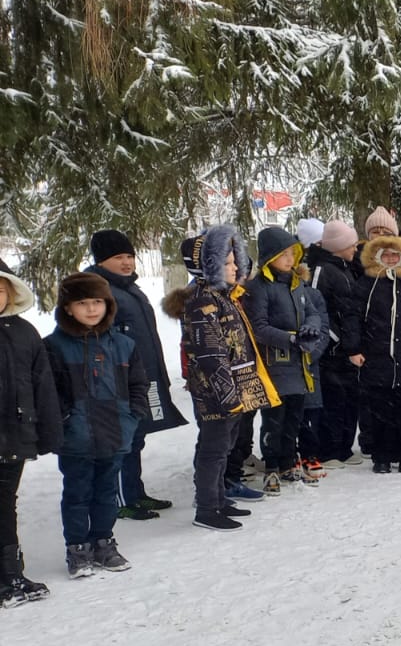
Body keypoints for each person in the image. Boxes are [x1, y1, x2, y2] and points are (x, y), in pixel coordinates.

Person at [164, 227, 278, 531]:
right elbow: (212, 355)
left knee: (225, 445)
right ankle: (207, 508)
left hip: (233, 390)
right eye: (227, 263)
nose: (236, 268)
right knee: (213, 449)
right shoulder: (202, 302)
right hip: (216, 392)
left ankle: (219, 498)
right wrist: (227, 395)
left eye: (234, 262)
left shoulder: (222, 296)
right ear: (209, 266)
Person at [44, 272, 148, 577]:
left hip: (116, 433)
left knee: (106, 492)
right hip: (76, 438)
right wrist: (65, 421)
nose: (91, 309)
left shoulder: (124, 344)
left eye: (98, 302)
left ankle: (103, 541)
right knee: (77, 493)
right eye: (82, 303)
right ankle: (77, 548)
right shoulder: (54, 346)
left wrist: (133, 415)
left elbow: (139, 384)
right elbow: (49, 392)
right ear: (67, 308)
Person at [87, 229, 186, 521]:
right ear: (102, 260)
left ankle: (135, 493)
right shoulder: (98, 289)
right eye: (119, 257)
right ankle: (118, 499)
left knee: (136, 436)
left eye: (130, 256)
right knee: (121, 440)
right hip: (117, 379)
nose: (127, 262)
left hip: (141, 374)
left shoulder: (130, 288)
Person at [242, 227, 329, 495]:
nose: (290, 259)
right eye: (284, 254)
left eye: (293, 253)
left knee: (295, 417)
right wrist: (290, 339)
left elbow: (312, 312)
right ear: (270, 257)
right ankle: (271, 466)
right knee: (274, 420)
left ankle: (289, 462)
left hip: (299, 365)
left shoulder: (296, 284)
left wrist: (311, 329)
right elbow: (258, 327)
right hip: (274, 366)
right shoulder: (259, 288)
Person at [0, 261, 62, 602]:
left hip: (16, 433)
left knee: (6, 503)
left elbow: (43, 387)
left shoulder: (24, 332)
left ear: (10, 292)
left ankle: (12, 574)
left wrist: (48, 432)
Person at [350, 229, 401, 474]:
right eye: (387, 255)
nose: (392, 259)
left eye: (396, 255)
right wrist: (354, 348)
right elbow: (354, 317)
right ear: (377, 256)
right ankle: (381, 456)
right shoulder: (367, 283)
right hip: (376, 355)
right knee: (379, 409)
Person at [303, 219, 364, 466]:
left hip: (349, 348)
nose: (355, 249)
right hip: (331, 351)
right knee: (333, 401)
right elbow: (317, 308)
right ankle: (329, 450)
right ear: (338, 246)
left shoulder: (345, 268)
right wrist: (334, 340)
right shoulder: (322, 270)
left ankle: (344, 448)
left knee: (350, 399)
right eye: (351, 244)